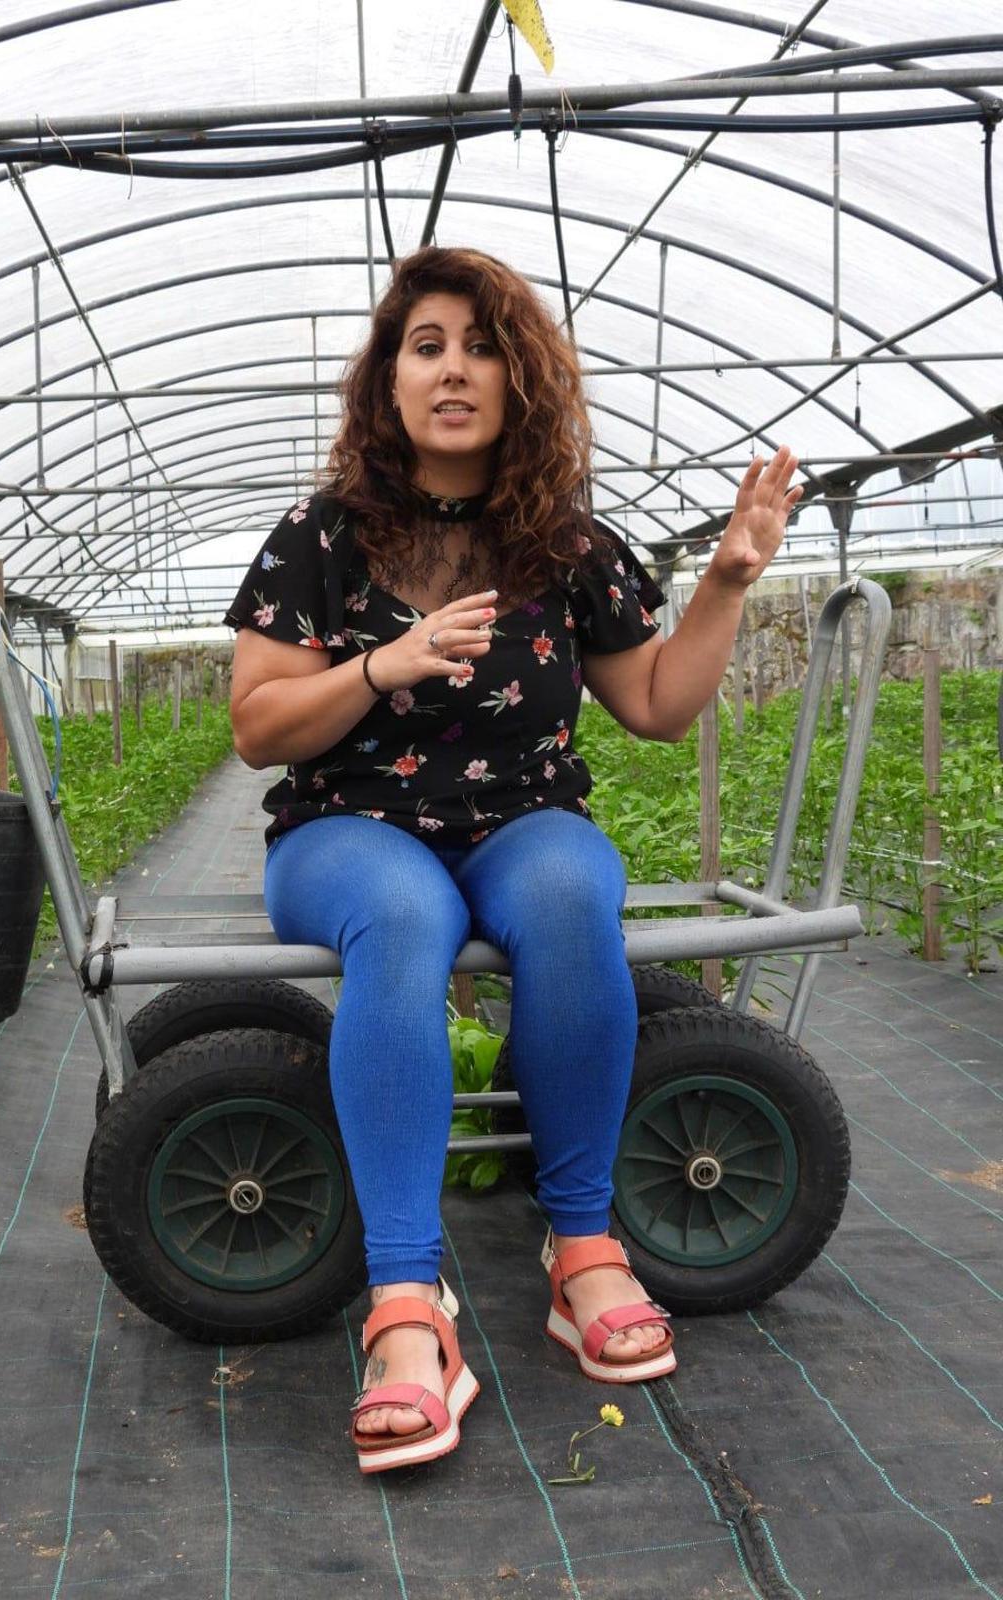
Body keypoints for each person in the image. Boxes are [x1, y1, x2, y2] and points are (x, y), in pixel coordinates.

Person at [223, 246, 801, 1474]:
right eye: (427, 346)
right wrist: (381, 664)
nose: (454, 371)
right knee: (403, 914)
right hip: (345, 827)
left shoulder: (564, 542)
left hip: (521, 817)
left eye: (482, 348)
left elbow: (656, 703)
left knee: (572, 887)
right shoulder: (322, 537)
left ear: (519, 379)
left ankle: (583, 1247)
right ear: (387, 380)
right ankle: (405, 1300)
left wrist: (727, 581)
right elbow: (258, 725)